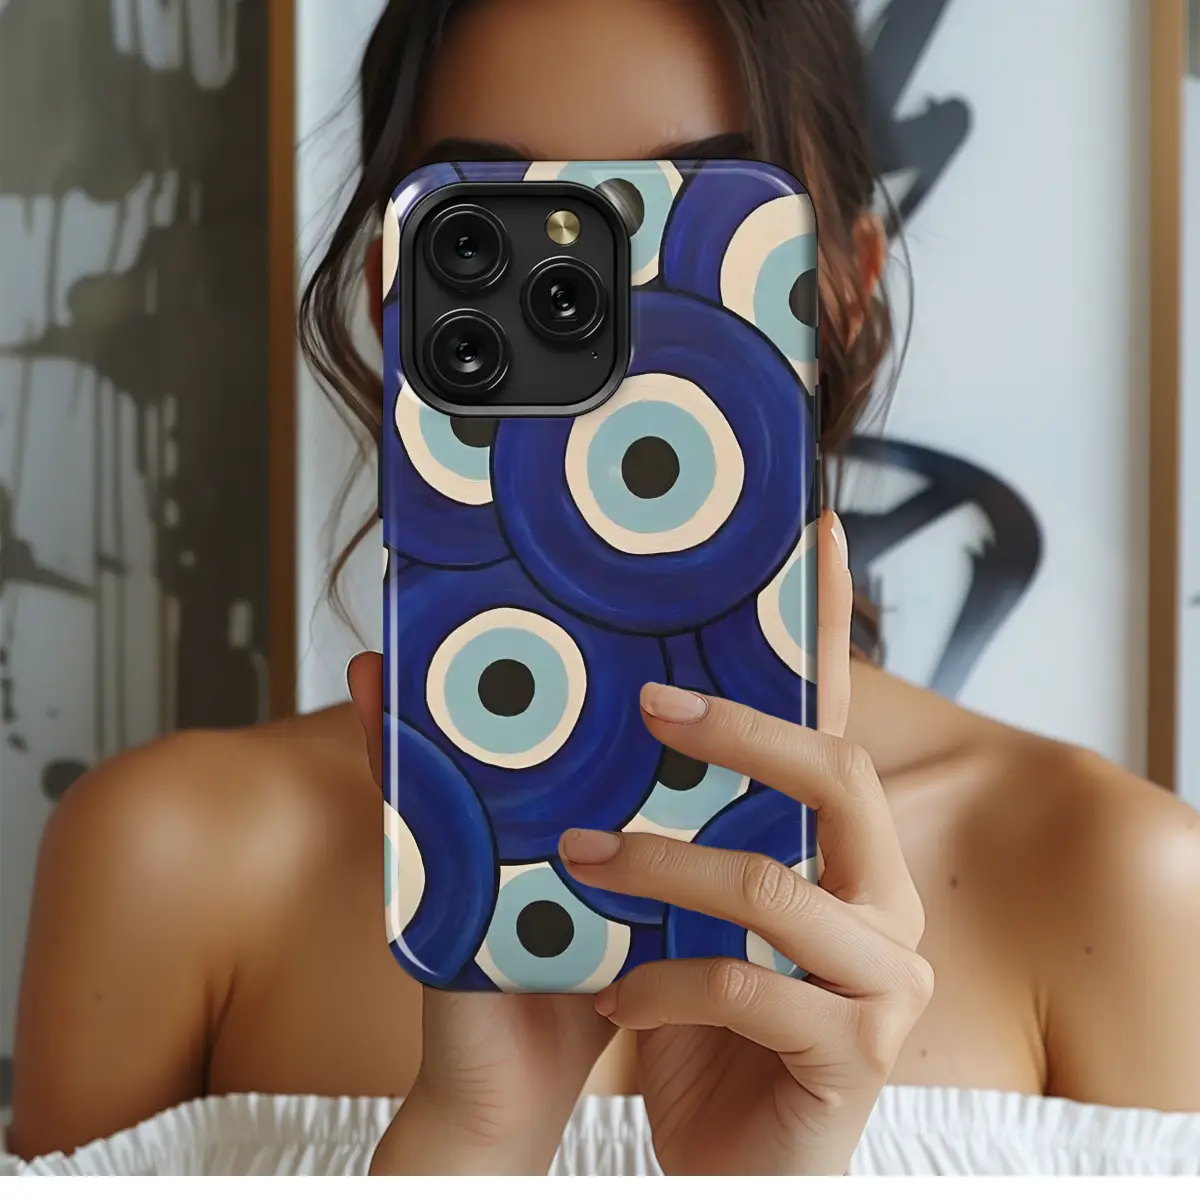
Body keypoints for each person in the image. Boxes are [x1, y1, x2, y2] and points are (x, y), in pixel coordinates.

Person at [8, 0, 1200, 1177]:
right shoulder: (169, 863)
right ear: (393, 294)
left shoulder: (1115, 883)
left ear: (844, 287)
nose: (611, 306)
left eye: (693, 213)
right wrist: (473, 1142)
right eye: (492, 222)